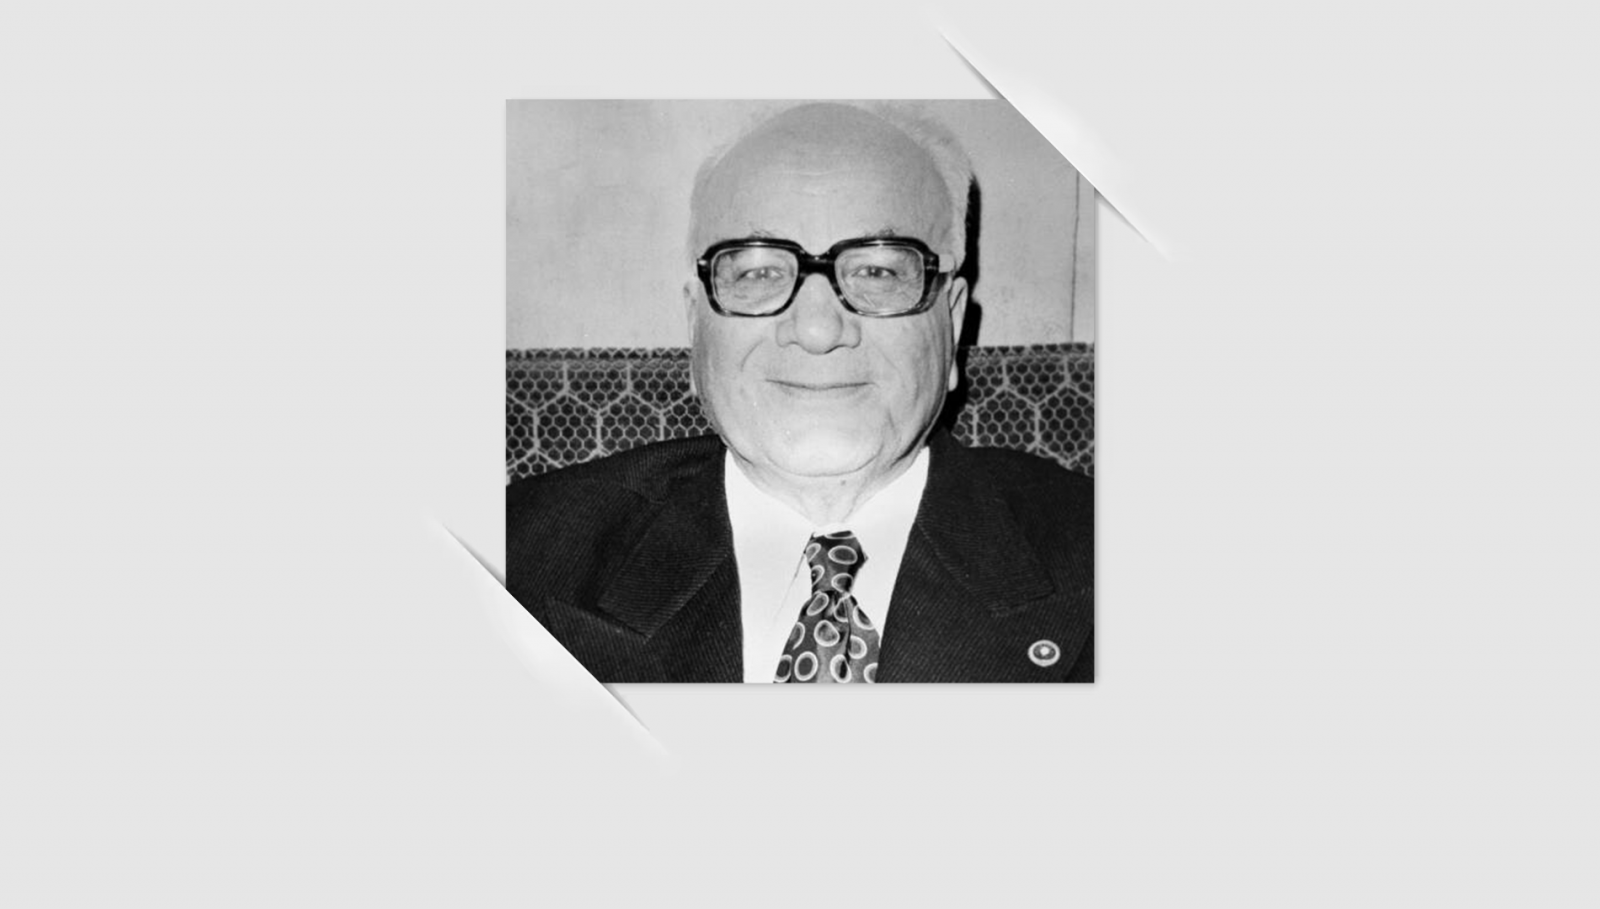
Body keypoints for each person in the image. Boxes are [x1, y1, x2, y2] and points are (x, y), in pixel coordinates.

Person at [506, 102, 1092, 683]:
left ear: (953, 322)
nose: (817, 330)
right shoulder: (510, 558)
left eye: (878, 272)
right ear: (696, 324)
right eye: (758, 272)